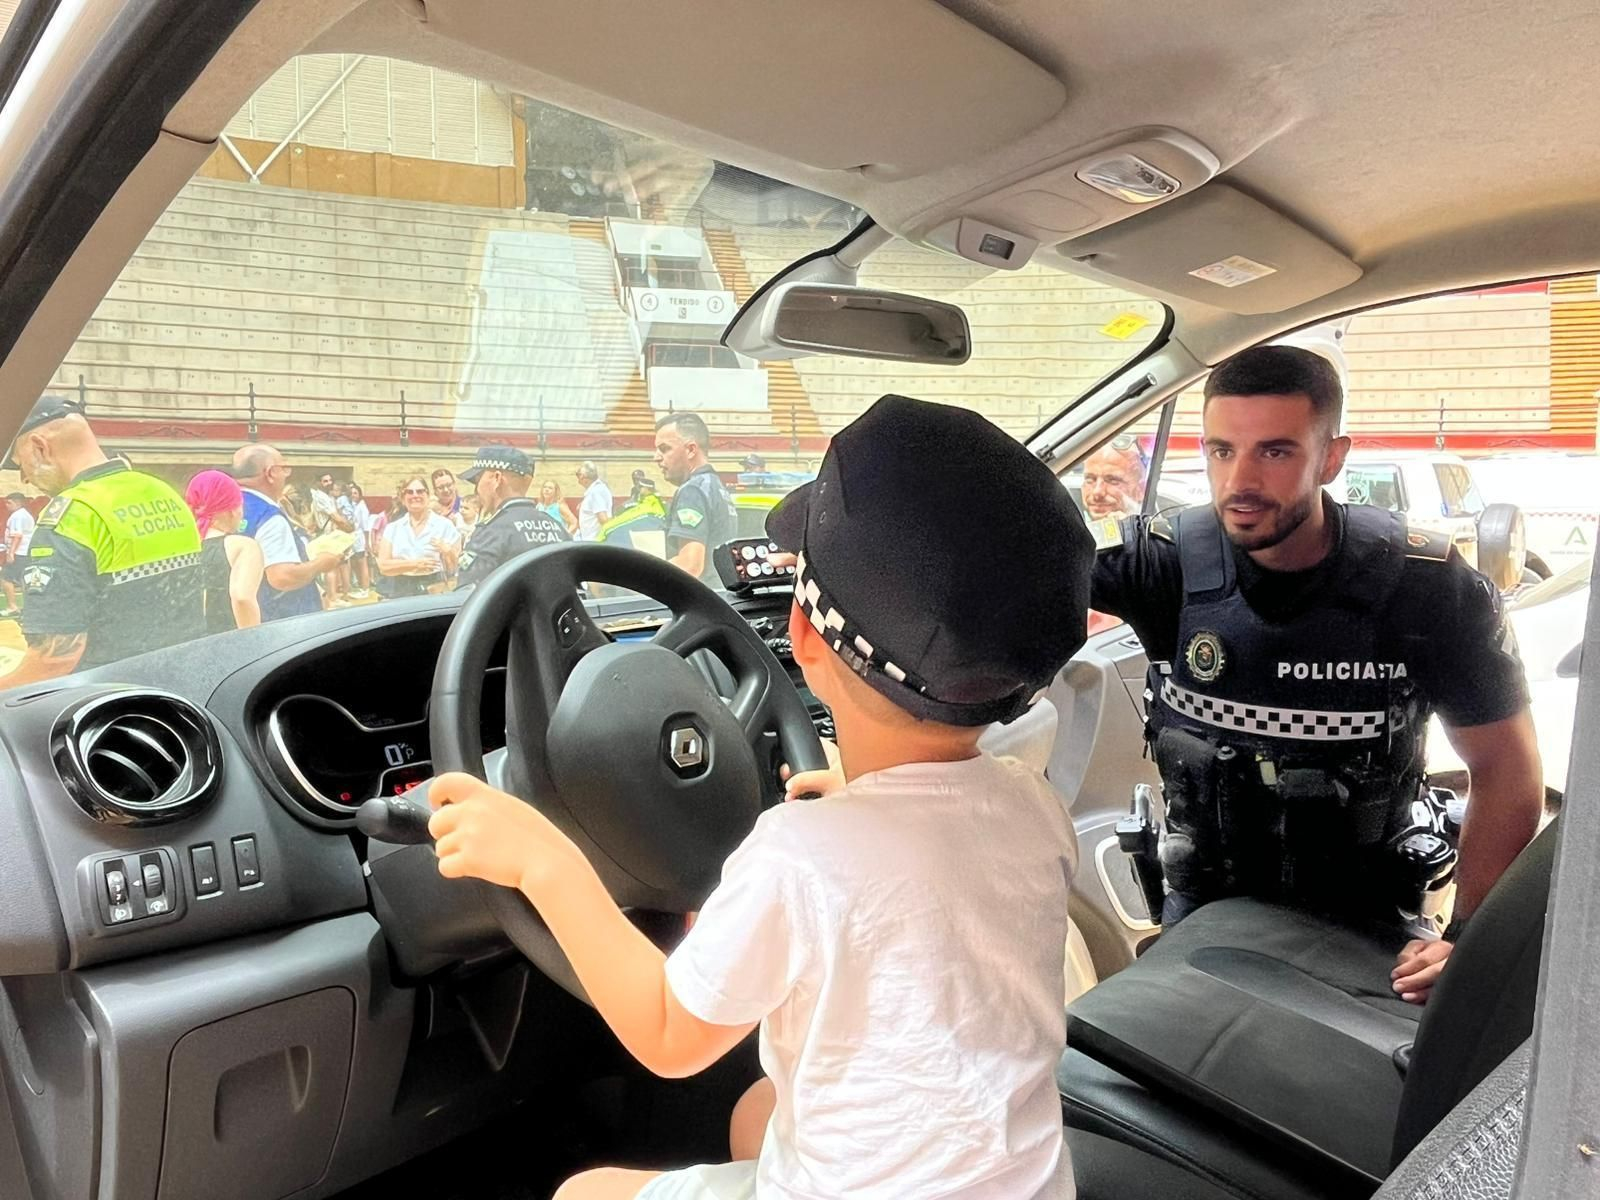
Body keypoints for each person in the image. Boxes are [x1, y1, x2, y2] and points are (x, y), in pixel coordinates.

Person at [426, 394, 1094, 1200]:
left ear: (802, 639)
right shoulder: (1033, 802)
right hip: (1022, 1184)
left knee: (581, 1193)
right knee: (757, 1109)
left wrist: (545, 862)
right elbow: (931, 883)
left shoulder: (797, 853)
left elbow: (671, 1038)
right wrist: (864, 793)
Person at [1089, 345, 1544, 1004]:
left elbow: (1506, 767)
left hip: (1369, 914)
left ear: (1332, 457)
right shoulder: (1165, 564)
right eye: (1221, 451)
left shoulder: (1424, 585)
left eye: (1274, 452)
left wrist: (1470, 939)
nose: (1238, 482)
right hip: (1205, 907)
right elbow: (1025, 583)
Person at [1, 395, 203, 685]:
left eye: (21, 465)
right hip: (181, 683)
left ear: (39, 446)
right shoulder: (162, 491)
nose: (24, 479)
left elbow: (55, 658)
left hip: (110, 698)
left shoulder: (72, 515)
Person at [232, 445, 341, 621]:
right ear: (270, 473)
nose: (286, 474)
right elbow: (282, 577)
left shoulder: (229, 508)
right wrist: (321, 563)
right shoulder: (269, 517)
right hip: (285, 620)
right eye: (284, 468)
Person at [456, 446, 570, 589]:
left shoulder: (491, 532)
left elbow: (468, 594)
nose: (476, 490)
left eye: (478, 480)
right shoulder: (557, 527)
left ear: (497, 478)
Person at [654, 412, 736, 582]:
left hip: (700, 600)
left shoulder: (692, 491)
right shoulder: (716, 486)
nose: (656, 457)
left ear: (691, 449)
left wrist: (642, 574)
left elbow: (690, 566)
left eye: (664, 448)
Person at [184, 470, 265, 631]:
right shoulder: (242, 546)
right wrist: (254, 643)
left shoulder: (181, 547)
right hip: (228, 644)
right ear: (232, 510)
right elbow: (242, 598)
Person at [376, 473, 460, 597]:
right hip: (400, 589)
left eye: (420, 491)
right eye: (410, 492)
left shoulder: (445, 526)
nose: (415, 495)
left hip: (435, 588)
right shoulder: (393, 528)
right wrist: (415, 565)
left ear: (428, 495)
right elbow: (383, 566)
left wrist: (448, 551)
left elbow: (455, 567)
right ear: (403, 498)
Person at [1080, 434, 1148, 519]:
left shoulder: (1148, 530)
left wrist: (1125, 528)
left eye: (1113, 481)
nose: (1097, 492)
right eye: (1090, 480)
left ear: (1141, 490)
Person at [2, 492, 35, 618]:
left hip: (19, 552)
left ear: (17, 502)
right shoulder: (25, 515)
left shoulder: (17, 516)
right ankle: (29, 608)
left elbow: (17, 536)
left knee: (6, 578)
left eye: (9, 502)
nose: (6, 505)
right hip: (24, 552)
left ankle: (12, 606)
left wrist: (11, 553)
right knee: (24, 580)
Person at [339, 482, 374, 599]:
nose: (353, 495)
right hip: (353, 538)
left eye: (355, 493)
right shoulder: (354, 506)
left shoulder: (362, 508)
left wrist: (367, 543)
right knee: (356, 564)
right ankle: (361, 586)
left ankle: (365, 588)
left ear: (360, 494)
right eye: (351, 493)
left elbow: (365, 527)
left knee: (362, 564)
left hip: (360, 538)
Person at [574, 460, 614, 541]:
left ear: (583, 476)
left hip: (593, 542)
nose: (578, 478)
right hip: (591, 541)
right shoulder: (597, 490)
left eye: (578, 474)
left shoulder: (595, 492)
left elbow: (604, 520)